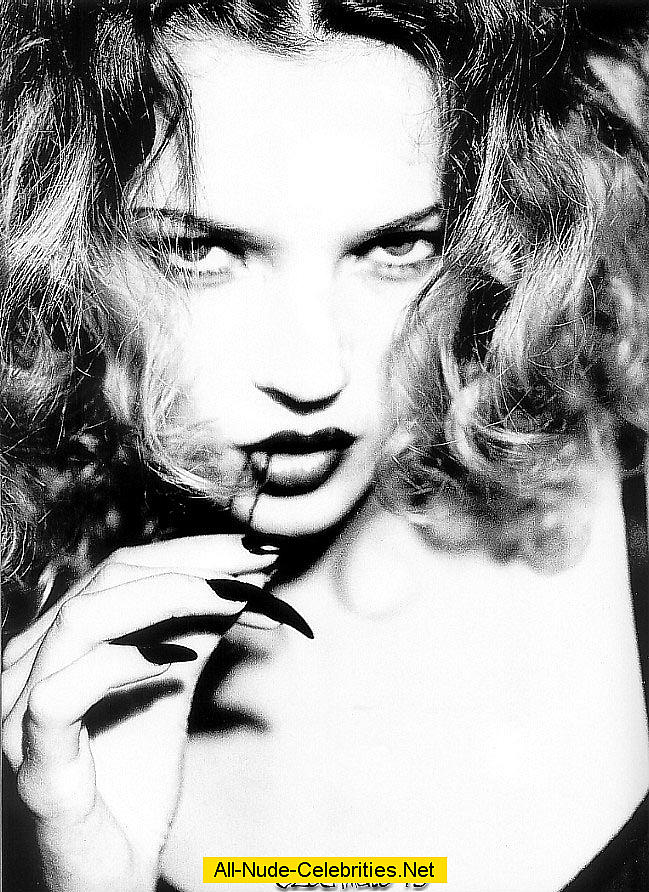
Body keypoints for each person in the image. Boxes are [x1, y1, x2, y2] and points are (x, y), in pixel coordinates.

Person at [1, 1, 648, 890]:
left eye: (398, 246)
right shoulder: (36, 687)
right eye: (196, 251)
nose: (313, 373)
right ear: (54, 240)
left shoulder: (627, 479)